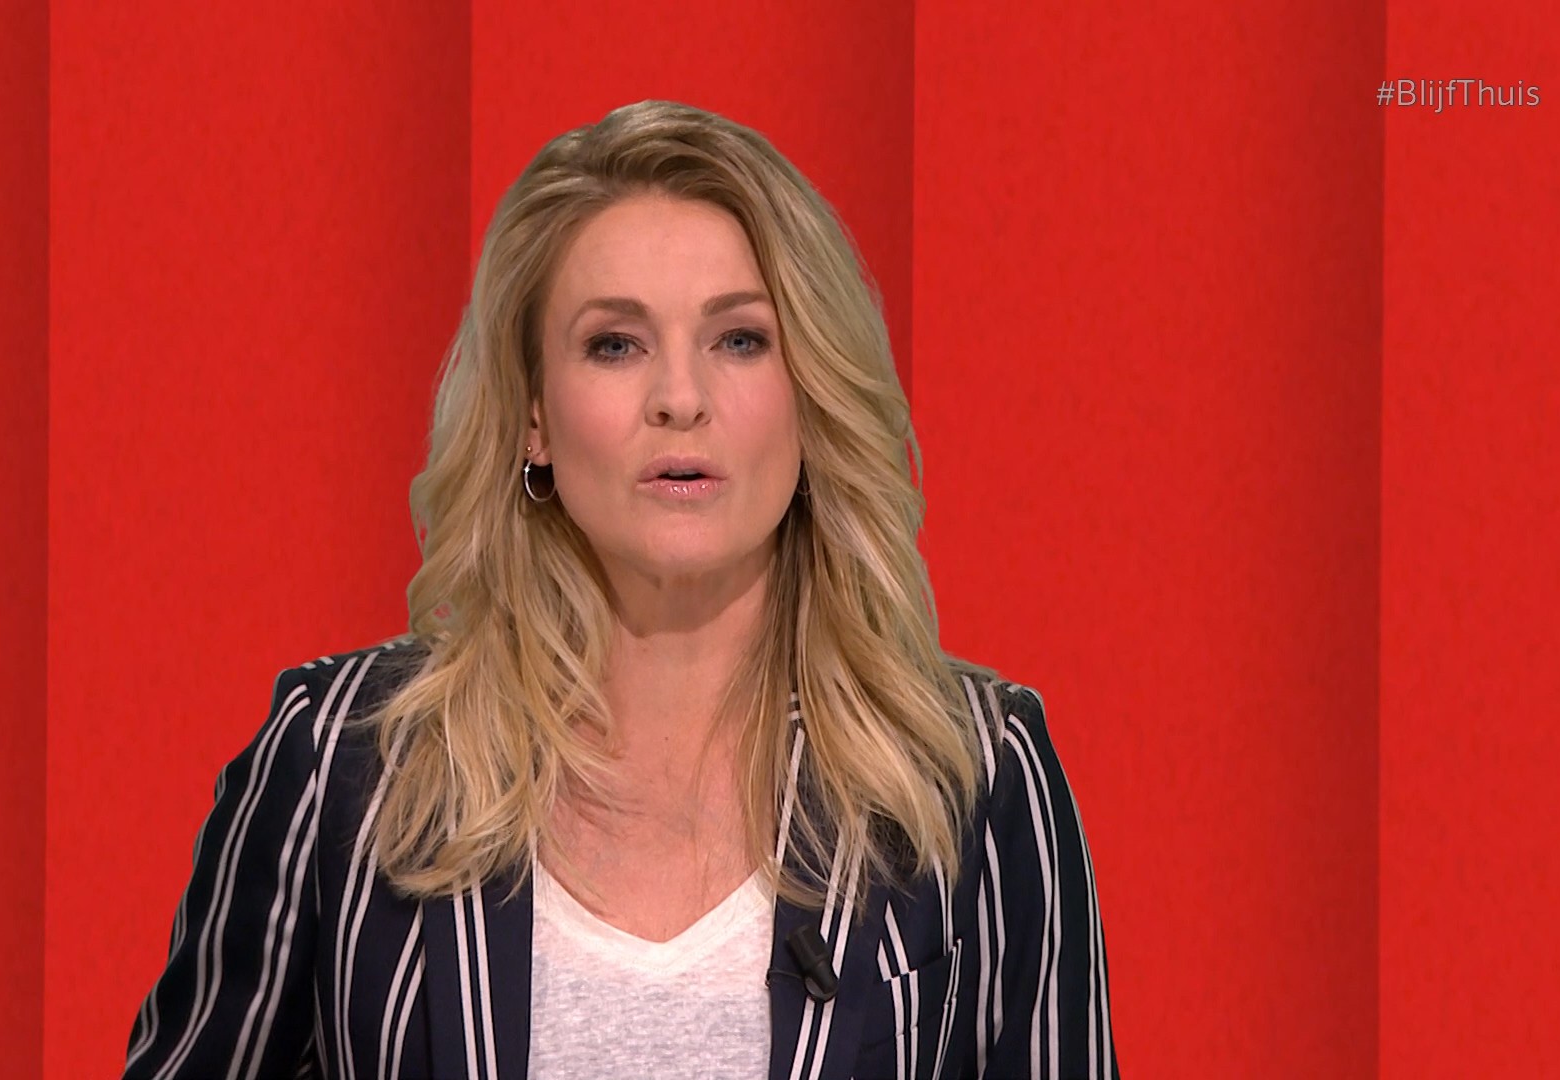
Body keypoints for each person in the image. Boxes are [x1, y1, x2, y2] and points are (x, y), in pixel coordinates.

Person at [122, 98, 1119, 1080]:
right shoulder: (344, 761)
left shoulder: (973, 772)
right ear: (534, 417)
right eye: (615, 344)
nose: (680, 398)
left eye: (739, 340)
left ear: (810, 397)